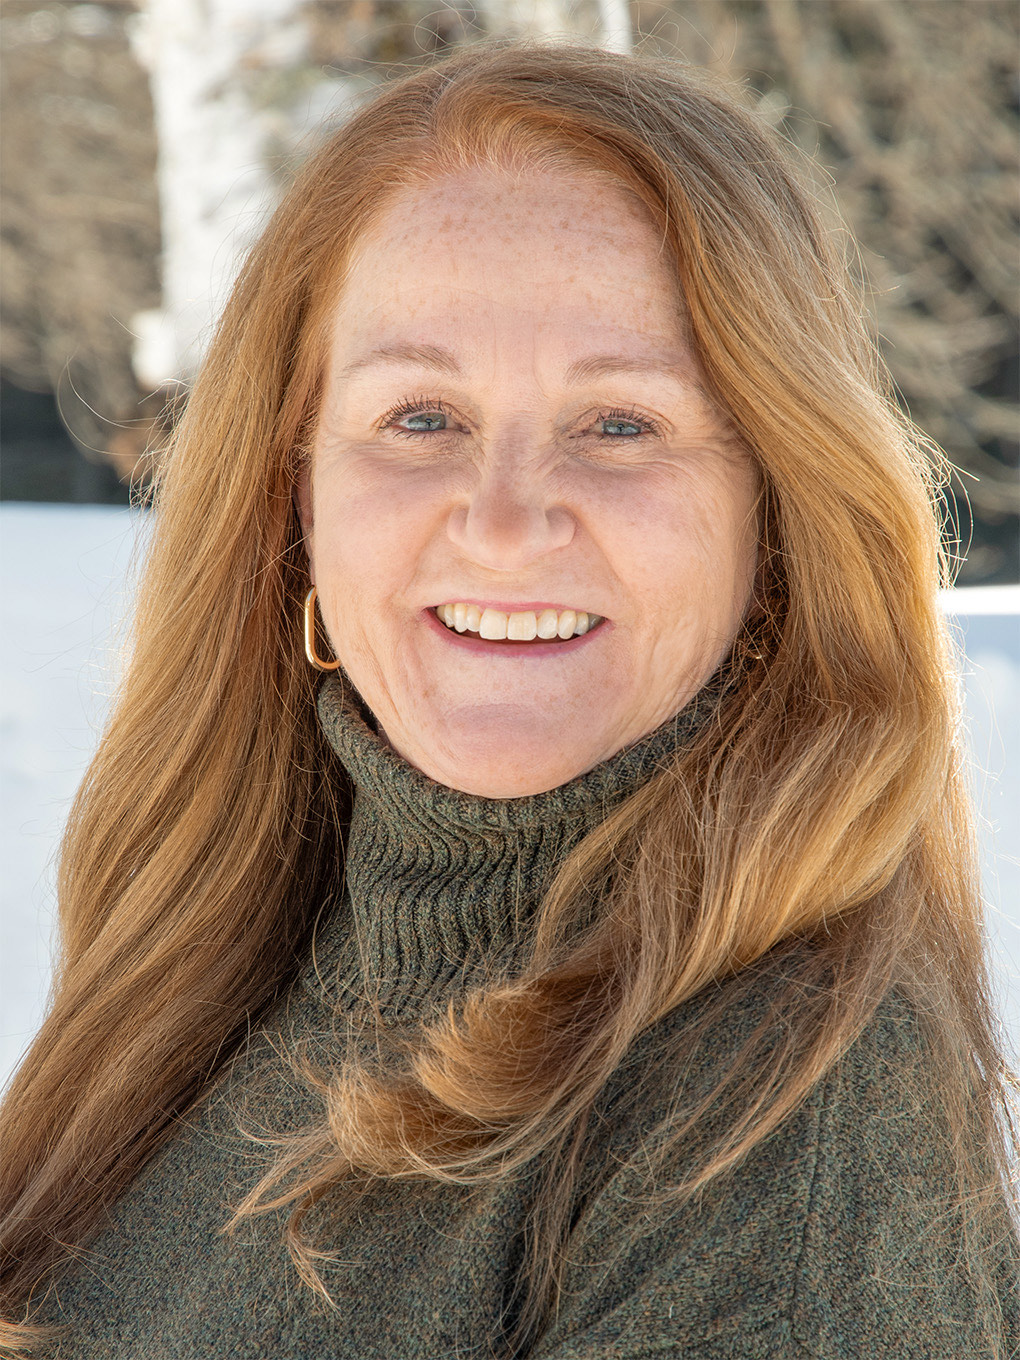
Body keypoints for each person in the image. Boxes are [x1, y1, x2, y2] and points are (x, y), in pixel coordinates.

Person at [0, 39, 1016, 1360]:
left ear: (778, 520)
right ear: (292, 495)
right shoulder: (223, 952)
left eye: (621, 424)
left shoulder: (775, 1132)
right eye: (421, 417)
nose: (504, 523)